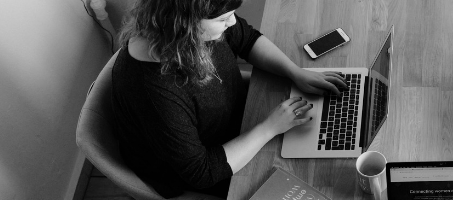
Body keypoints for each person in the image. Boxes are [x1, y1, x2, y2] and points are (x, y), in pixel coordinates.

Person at [109, 0, 348, 198]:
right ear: (184, 23)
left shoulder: (187, 30)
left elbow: (246, 39)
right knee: (321, 178)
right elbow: (201, 172)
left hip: (239, 120)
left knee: (325, 150)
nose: (232, 22)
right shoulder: (153, 93)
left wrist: (294, 72)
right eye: (223, 19)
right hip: (210, 165)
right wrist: (269, 128)